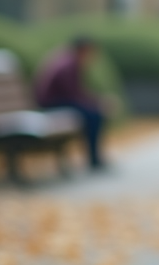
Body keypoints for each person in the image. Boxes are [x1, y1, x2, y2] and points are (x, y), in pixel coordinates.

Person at [34, 36, 108, 170]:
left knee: (94, 113)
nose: (94, 56)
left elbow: (76, 93)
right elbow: (73, 94)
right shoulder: (69, 65)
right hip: (52, 103)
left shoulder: (69, 60)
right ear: (84, 50)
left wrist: (97, 101)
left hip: (59, 101)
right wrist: (98, 102)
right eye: (92, 51)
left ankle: (94, 158)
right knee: (94, 115)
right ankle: (94, 159)